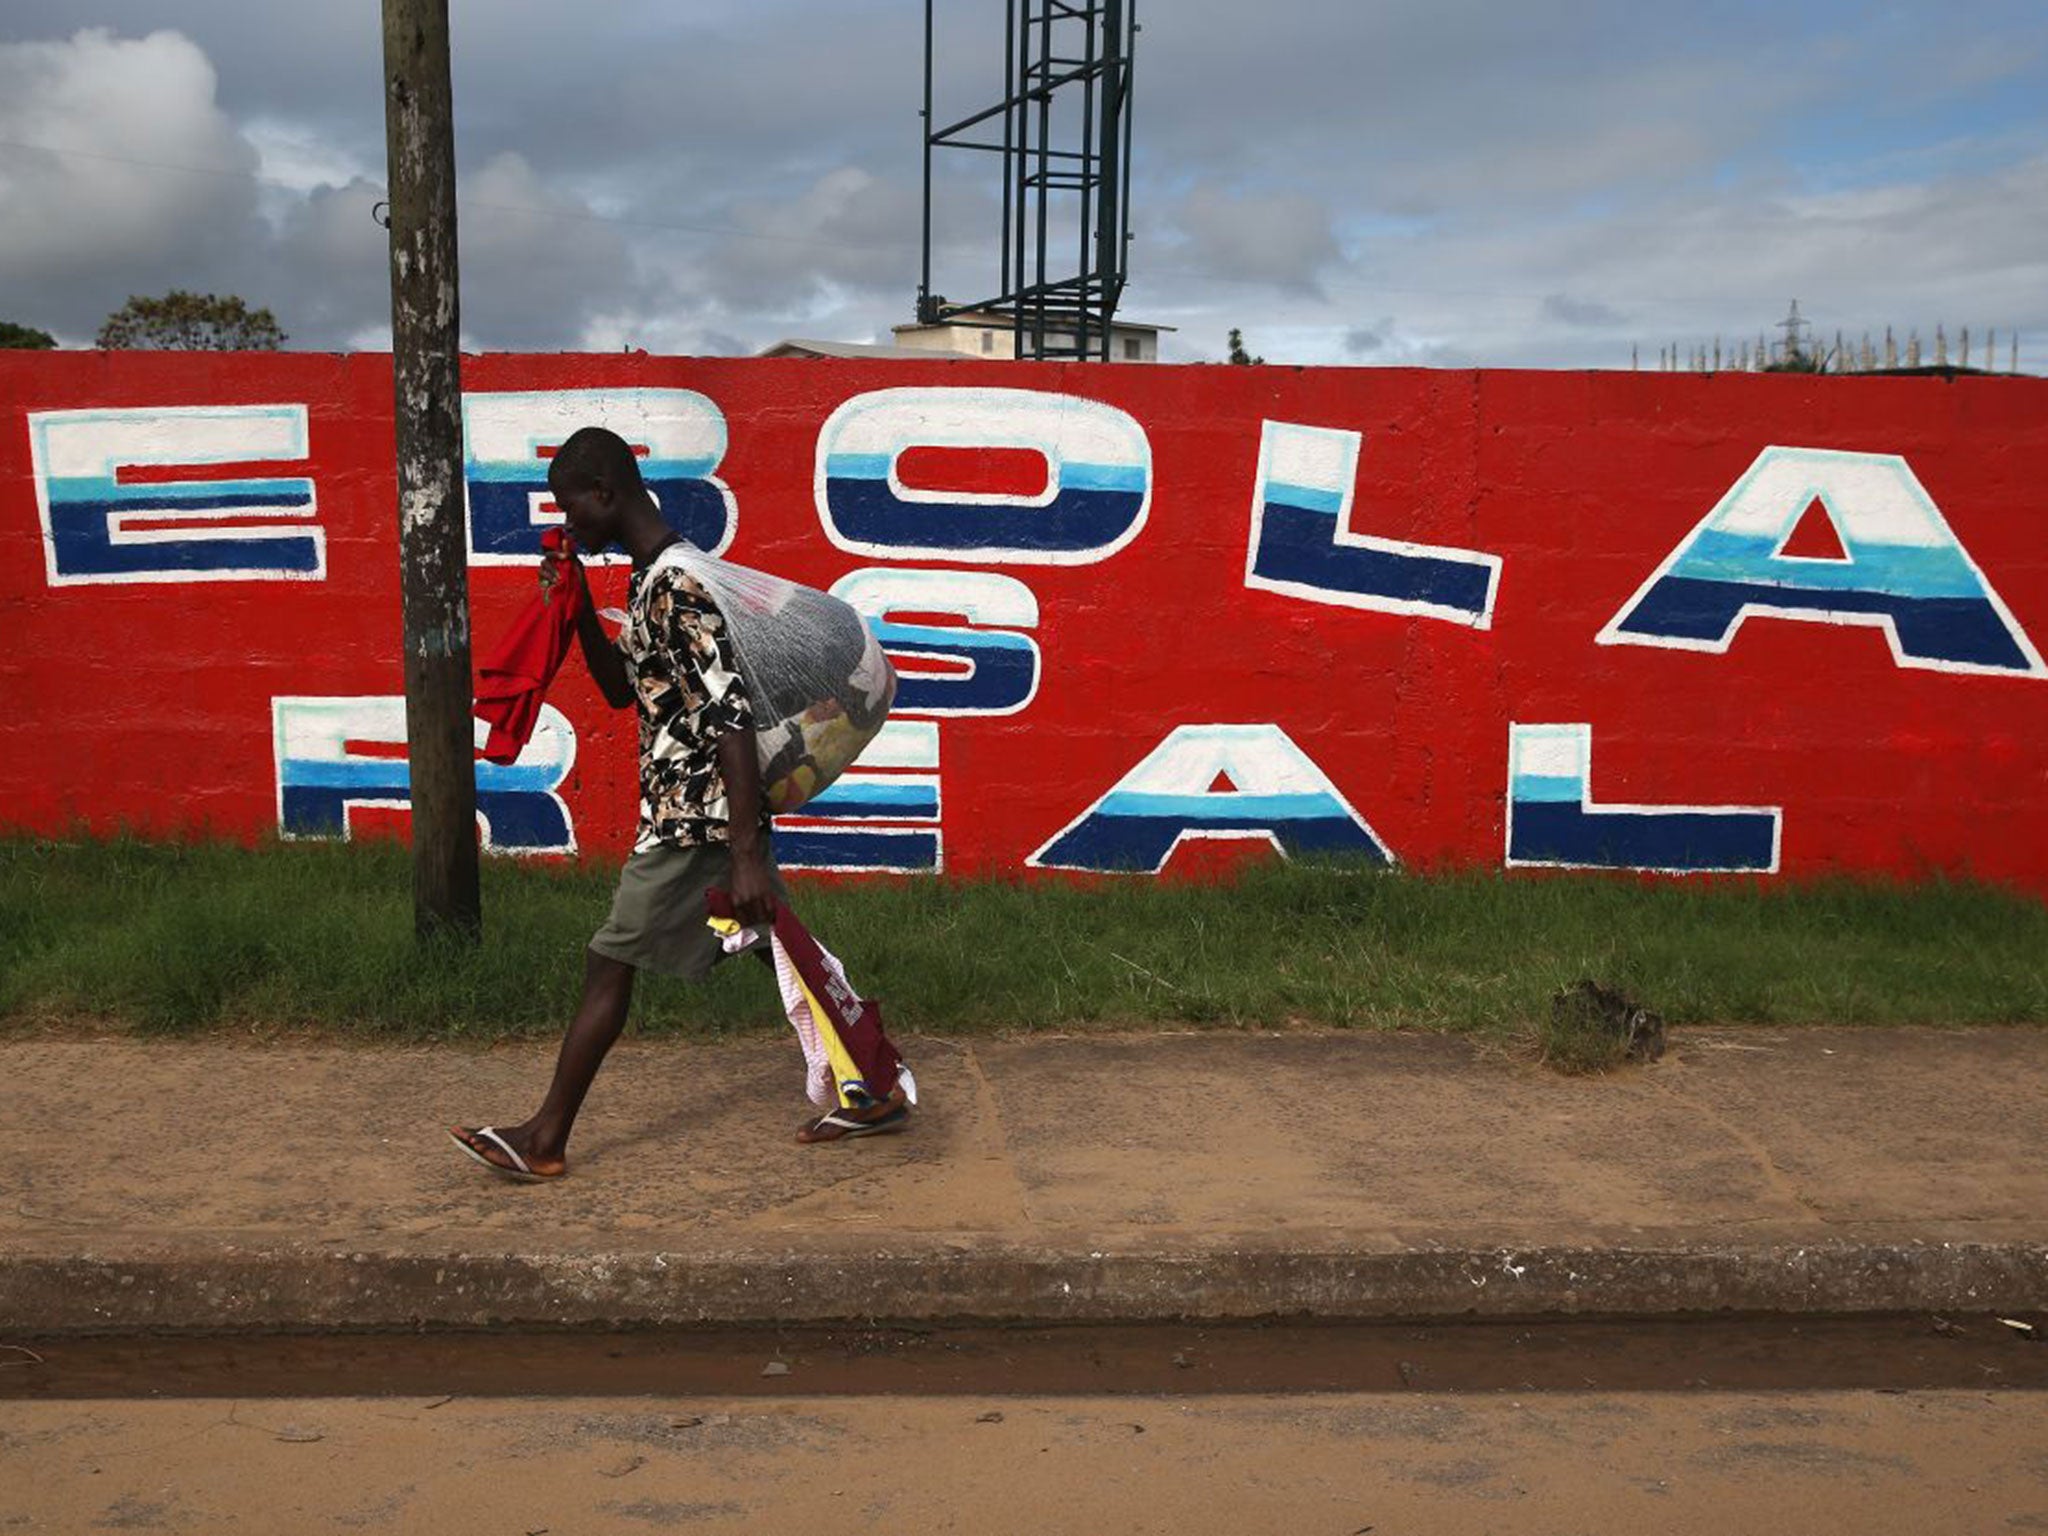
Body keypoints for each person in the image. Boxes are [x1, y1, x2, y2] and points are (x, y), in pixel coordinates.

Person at [450, 426, 910, 1181]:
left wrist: (741, 850)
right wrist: (569, 606)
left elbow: (729, 715)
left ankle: (545, 1138)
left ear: (606, 492)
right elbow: (621, 690)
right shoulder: (648, 581)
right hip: (703, 811)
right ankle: (875, 1087)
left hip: (696, 819)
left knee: (609, 961)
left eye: (574, 509)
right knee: (780, 946)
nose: (570, 525)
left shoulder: (677, 585)